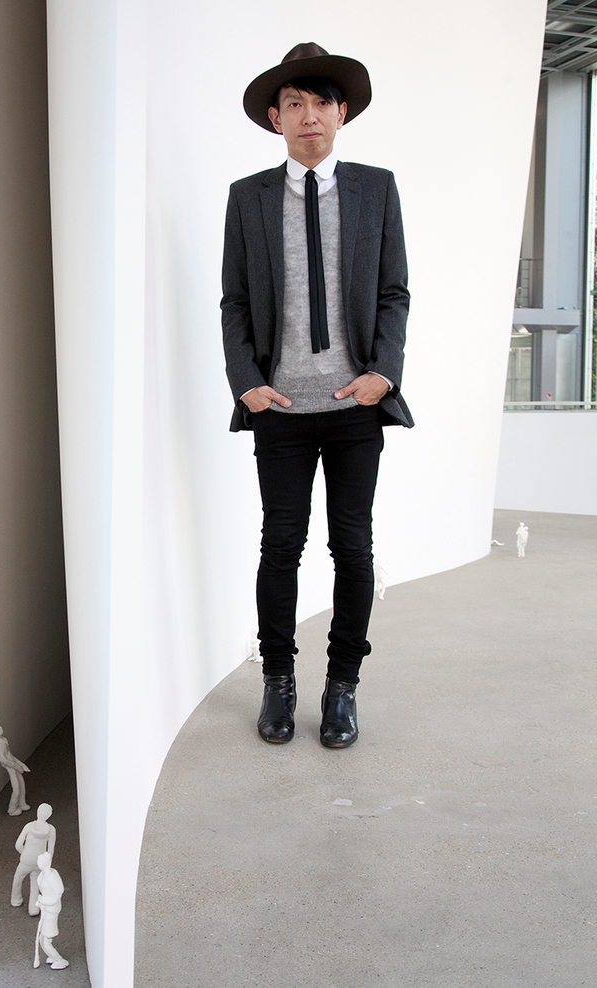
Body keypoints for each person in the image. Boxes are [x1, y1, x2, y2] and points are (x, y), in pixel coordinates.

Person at [221, 42, 412, 748]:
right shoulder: (249, 198)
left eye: (322, 102)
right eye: (294, 104)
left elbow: (394, 292)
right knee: (281, 545)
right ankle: (278, 679)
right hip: (284, 409)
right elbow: (235, 303)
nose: (310, 116)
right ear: (276, 118)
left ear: (342, 113)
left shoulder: (376, 188)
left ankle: (342, 688)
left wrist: (382, 375)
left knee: (353, 548)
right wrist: (250, 385)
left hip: (356, 406)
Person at [11, 803, 57, 913]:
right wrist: (46, 864)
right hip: (39, 861)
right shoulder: (51, 830)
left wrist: (24, 853)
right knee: (36, 883)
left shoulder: (29, 826)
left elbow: (18, 844)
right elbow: (50, 850)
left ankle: (15, 899)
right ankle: (34, 908)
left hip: (26, 860)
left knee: (18, 878)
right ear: (49, 815)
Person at [32, 852, 69, 970]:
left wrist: (42, 900)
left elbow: (56, 896)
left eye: (40, 861)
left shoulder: (53, 876)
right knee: (42, 938)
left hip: (51, 910)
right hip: (45, 909)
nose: (38, 863)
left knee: (46, 939)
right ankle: (52, 956)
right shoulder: (42, 875)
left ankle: (59, 960)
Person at [0, 722, 31, 815]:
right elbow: (3, 759)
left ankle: (22, 803)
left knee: (21, 783)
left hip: (13, 765)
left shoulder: (3, 740)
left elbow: (10, 755)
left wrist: (21, 764)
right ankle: (12, 809)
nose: (0, 728)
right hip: (10, 767)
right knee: (16, 788)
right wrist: (17, 766)